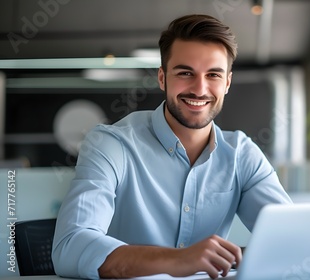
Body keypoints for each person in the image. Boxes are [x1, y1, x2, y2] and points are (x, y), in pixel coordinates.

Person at [51, 14, 292, 279]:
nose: (200, 89)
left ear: (227, 83)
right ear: (163, 78)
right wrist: (177, 260)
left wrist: (238, 257)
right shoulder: (111, 144)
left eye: (213, 74)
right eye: (185, 73)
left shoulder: (242, 155)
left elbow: (291, 238)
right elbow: (69, 248)